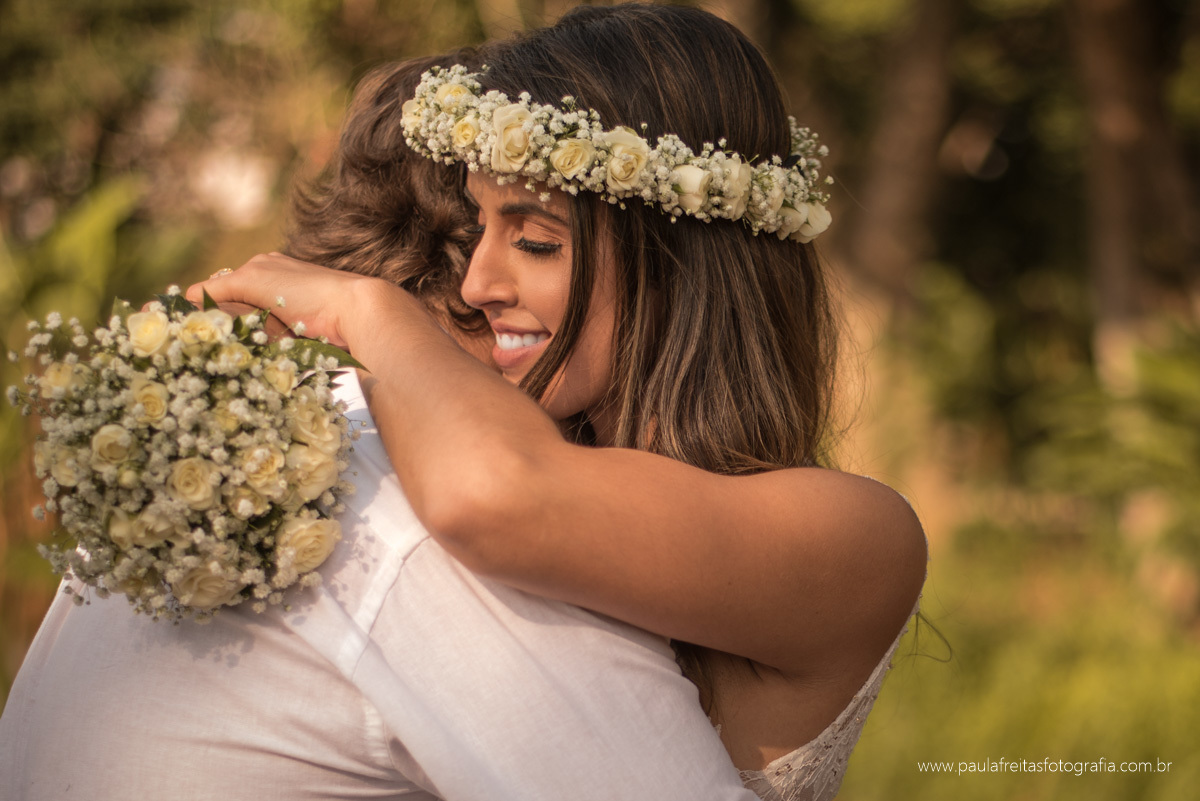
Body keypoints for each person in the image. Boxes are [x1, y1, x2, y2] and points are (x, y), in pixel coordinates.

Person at [191, 5, 928, 800]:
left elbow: (496, 495)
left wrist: (369, 313)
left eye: (536, 240)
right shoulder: (529, 445)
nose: (477, 283)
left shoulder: (861, 536)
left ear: (679, 261)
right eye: (479, 227)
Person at [0, 53, 761, 801]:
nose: (486, 284)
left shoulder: (240, 453)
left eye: (533, 239)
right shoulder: (431, 524)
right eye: (523, 239)